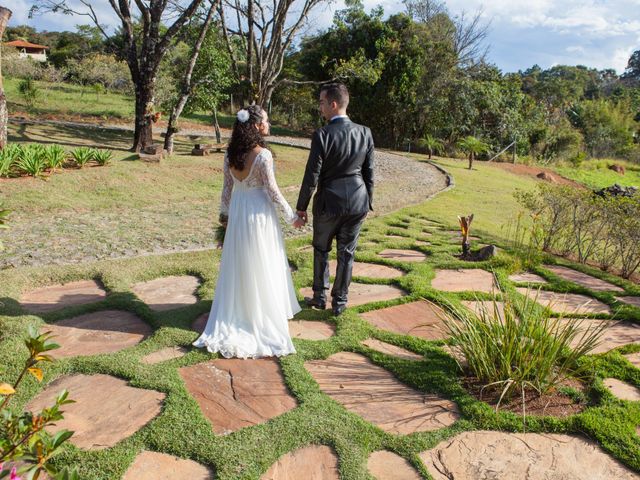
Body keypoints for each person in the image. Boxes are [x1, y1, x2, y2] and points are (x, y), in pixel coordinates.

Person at [193, 105, 300, 358]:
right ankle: (260, 315)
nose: (269, 124)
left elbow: (226, 191)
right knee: (262, 261)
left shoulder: (230, 154)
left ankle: (241, 310)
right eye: (266, 121)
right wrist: (292, 216)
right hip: (258, 214)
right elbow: (273, 191)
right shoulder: (263, 155)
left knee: (241, 263)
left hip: (239, 213)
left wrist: (224, 218)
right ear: (255, 126)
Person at [295, 83, 375, 316]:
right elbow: (369, 172)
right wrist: (368, 201)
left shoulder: (322, 134)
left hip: (329, 202)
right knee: (346, 253)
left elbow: (312, 175)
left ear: (333, 104)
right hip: (357, 201)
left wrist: (302, 207)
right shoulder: (365, 132)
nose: (319, 107)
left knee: (321, 249)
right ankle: (339, 302)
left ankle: (320, 297)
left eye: (321, 103)